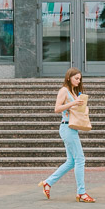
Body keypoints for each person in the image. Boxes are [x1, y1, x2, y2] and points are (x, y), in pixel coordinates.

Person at [38, 68, 94, 202]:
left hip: (72, 127)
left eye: (80, 79)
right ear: (69, 77)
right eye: (76, 78)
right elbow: (57, 108)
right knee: (80, 159)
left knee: (71, 162)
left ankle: (48, 182)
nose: (78, 81)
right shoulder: (64, 90)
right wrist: (73, 103)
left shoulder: (74, 92)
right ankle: (81, 192)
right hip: (66, 127)